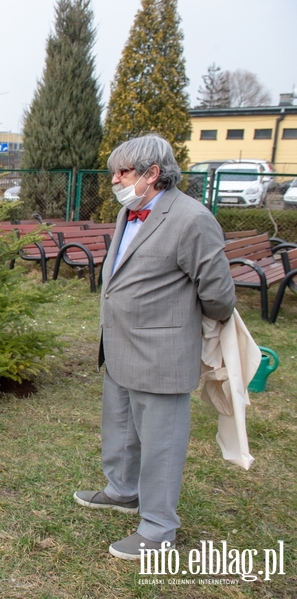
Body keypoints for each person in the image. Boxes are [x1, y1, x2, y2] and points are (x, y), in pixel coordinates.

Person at [73, 134, 236, 560]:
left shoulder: (191, 219)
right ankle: (122, 490)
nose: (114, 180)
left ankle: (159, 527)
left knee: (161, 442)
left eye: (123, 172)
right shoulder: (130, 211)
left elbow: (218, 293)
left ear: (153, 174)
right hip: (121, 346)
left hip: (162, 353)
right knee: (121, 427)